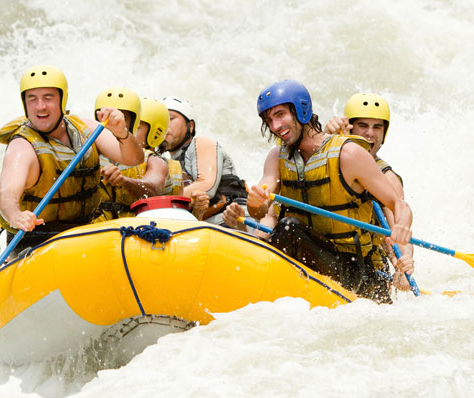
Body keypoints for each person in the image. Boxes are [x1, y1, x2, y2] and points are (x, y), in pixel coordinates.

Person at [231, 80, 413, 303]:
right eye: (269, 120)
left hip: (358, 272)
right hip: (314, 257)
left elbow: (397, 204)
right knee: (282, 227)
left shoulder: (349, 154)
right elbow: (259, 212)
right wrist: (255, 202)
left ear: (302, 110)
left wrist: (403, 228)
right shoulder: (276, 158)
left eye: (280, 115)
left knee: (289, 228)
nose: (275, 126)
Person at [0, 65, 144, 257]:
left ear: (62, 101)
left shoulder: (87, 129)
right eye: (32, 99)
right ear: (25, 103)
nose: (40, 106)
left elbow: (133, 159)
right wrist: (16, 216)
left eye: (48, 98)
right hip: (36, 243)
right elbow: (6, 196)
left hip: (83, 234)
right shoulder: (22, 148)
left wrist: (122, 132)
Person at [325, 93, 414, 291]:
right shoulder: (328, 154)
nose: (370, 134)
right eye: (363, 126)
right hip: (326, 253)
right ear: (349, 128)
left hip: (366, 270)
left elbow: (397, 226)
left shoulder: (387, 178)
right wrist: (326, 132)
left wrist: (404, 261)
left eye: (377, 127)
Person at [159, 96, 248, 225]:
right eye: (160, 121)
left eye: (170, 119)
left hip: (232, 220)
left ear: (190, 126)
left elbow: (206, 186)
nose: (164, 125)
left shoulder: (201, 143)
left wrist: (157, 202)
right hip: (203, 225)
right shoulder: (164, 163)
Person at [92, 88, 170, 221]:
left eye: (123, 118)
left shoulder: (153, 160)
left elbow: (153, 187)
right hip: (93, 231)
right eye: (106, 117)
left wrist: (124, 181)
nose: (112, 123)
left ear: (133, 123)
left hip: (135, 230)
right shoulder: (87, 154)